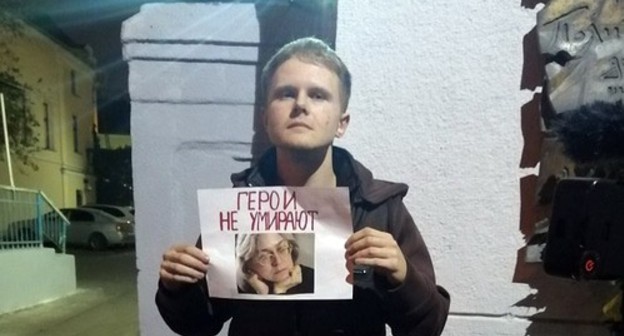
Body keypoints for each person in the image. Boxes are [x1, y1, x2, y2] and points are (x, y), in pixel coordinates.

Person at [157, 36, 450, 336]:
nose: (300, 105)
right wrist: (177, 288)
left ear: (342, 122)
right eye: (285, 93)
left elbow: (427, 327)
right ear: (265, 119)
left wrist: (403, 277)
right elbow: (198, 324)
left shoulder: (378, 209)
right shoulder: (238, 209)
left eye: (318, 95)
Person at [236, 233, 314, 295]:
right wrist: (265, 294)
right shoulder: (236, 291)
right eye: (264, 257)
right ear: (248, 265)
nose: (278, 261)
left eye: (282, 249)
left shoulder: (312, 279)